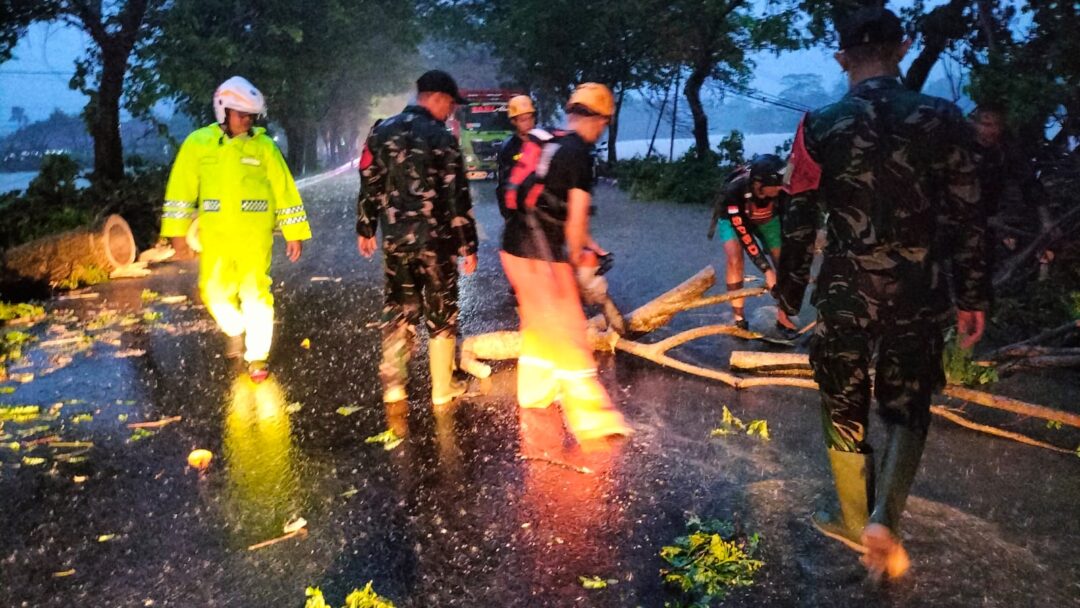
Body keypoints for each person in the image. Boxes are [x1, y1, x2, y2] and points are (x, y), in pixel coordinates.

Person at [775, 8, 990, 580]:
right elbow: (970, 217)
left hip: (846, 291)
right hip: (918, 292)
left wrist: (788, 293)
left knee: (842, 400)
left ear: (842, 58)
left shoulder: (817, 125)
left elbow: (797, 219)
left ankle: (852, 517)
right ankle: (884, 520)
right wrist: (973, 297)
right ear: (903, 48)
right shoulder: (944, 118)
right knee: (907, 403)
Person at [499, 82, 632, 442]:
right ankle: (595, 419)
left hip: (513, 247)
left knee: (540, 326)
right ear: (600, 119)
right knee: (569, 328)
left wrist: (587, 248)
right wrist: (584, 272)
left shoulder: (549, 141)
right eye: (605, 122)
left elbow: (541, 202)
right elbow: (573, 224)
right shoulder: (579, 155)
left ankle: (535, 393)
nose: (603, 128)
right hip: (543, 256)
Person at [160, 76, 310, 382]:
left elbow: (284, 191)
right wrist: (177, 234)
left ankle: (257, 356)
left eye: (251, 116)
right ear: (222, 110)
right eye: (241, 115)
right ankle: (234, 329)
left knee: (257, 294)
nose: (247, 121)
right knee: (213, 292)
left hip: (255, 237)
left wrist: (294, 231)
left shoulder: (264, 147)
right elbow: (180, 190)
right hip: (214, 236)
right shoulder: (198, 144)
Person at [356, 70, 479, 407]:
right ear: (436, 98)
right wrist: (467, 245)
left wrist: (365, 228)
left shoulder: (380, 132)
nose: (451, 112)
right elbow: (457, 196)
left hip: (396, 241)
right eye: (451, 105)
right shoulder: (442, 137)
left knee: (398, 309)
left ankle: (394, 387)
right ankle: (442, 389)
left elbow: (369, 181)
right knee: (442, 311)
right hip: (436, 244)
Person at [707, 154, 788, 332]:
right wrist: (766, 270)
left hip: (767, 218)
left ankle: (784, 316)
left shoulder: (781, 193)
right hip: (733, 219)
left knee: (782, 259)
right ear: (759, 184)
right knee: (735, 258)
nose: (782, 188)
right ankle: (739, 318)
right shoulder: (734, 191)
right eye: (777, 185)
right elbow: (743, 234)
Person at [496, 95, 538, 218]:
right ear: (514, 121)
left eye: (530, 119)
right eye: (523, 120)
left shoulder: (543, 141)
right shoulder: (509, 148)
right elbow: (504, 185)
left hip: (542, 210)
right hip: (519, 212)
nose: (528, 124)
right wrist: (509, 216)